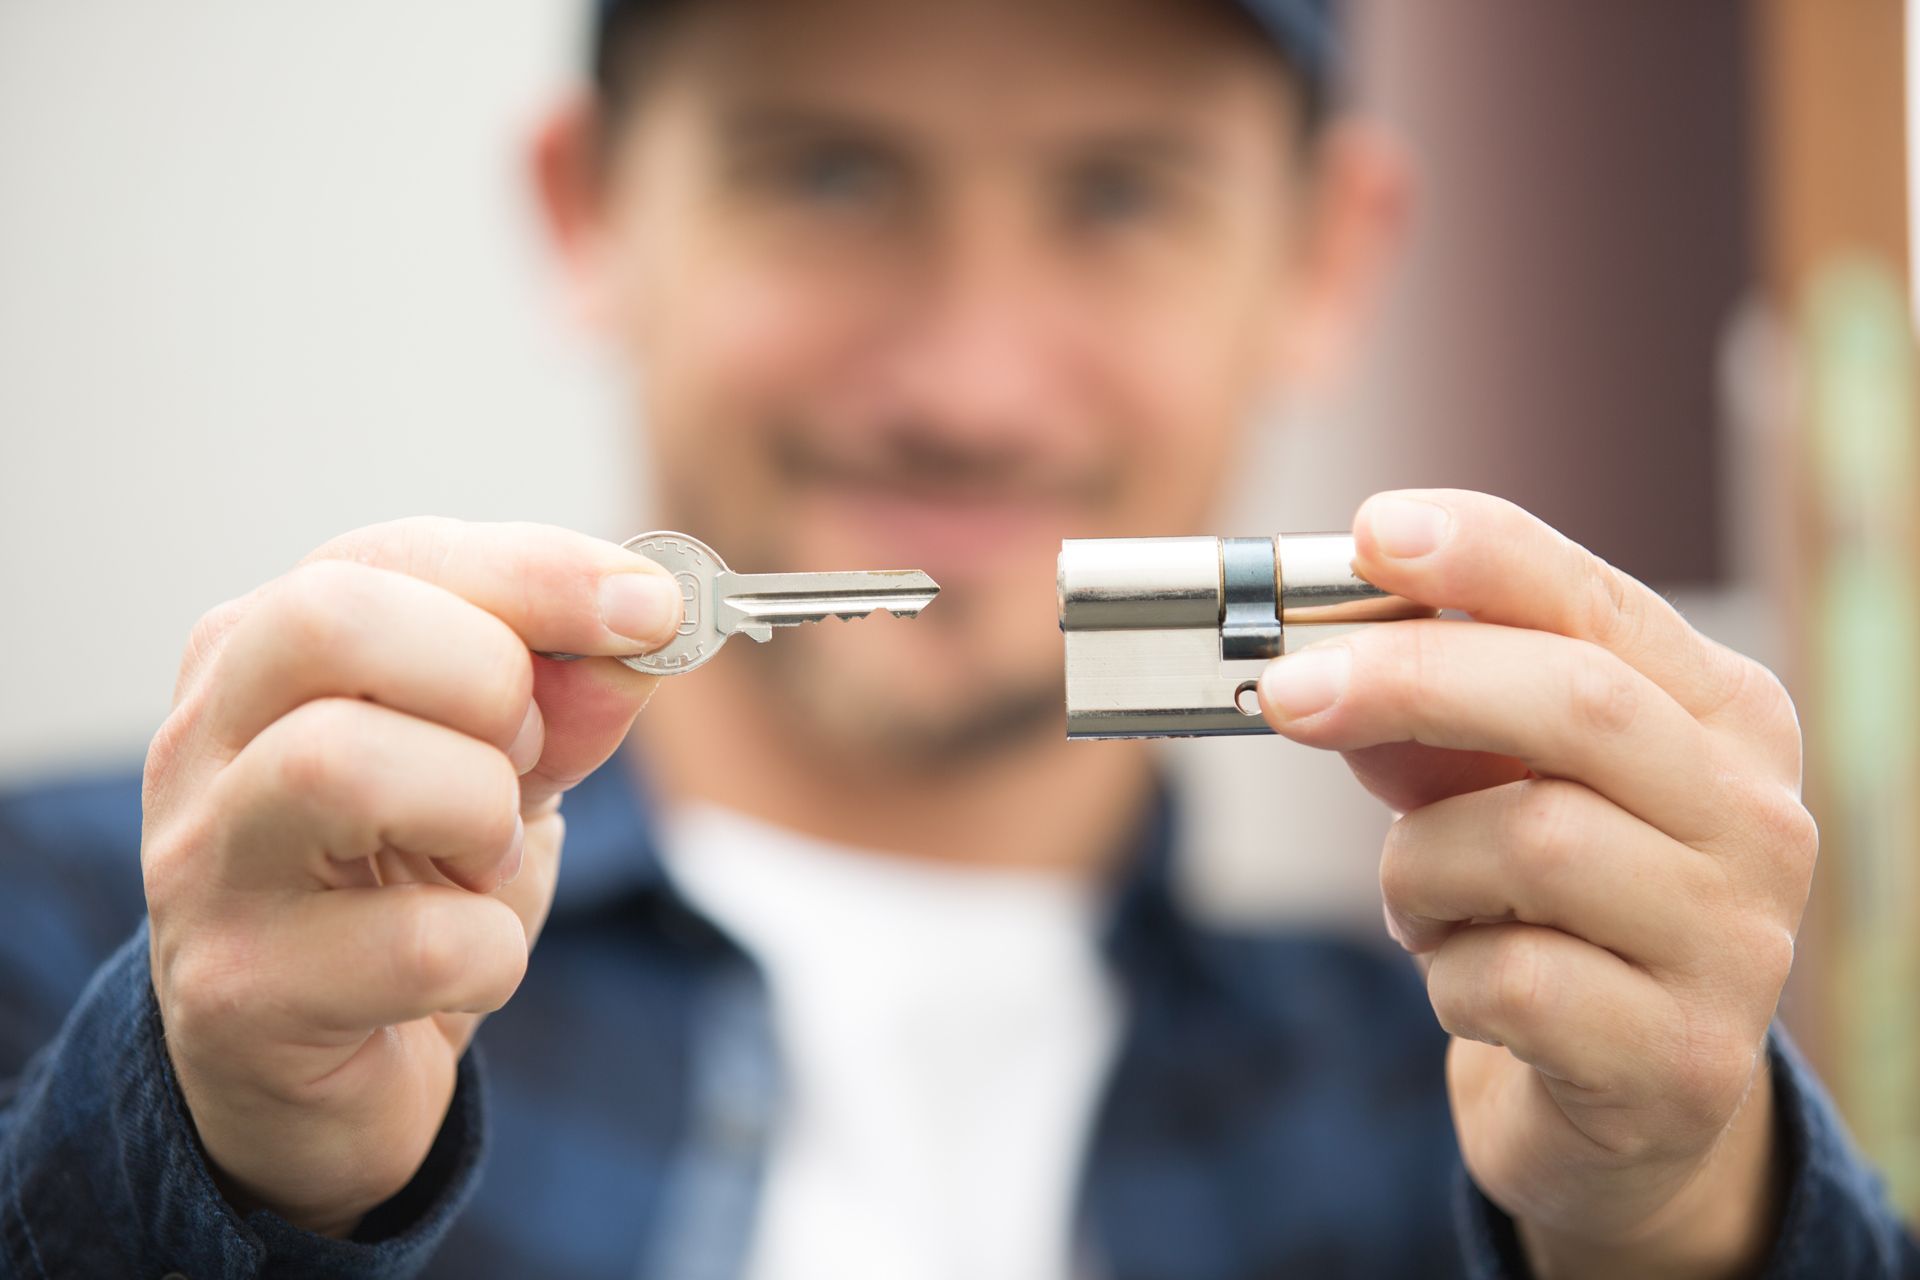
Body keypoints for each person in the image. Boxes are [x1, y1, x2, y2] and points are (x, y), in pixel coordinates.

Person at [2, 0, 1915, 1275]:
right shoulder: (105, 948)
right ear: (592, 213)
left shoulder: (1495, 1103)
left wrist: (1689, 1220)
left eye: (1118, 193)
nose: (972, 387)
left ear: (1325, 258)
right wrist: (208, 1154)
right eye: (830, 172)